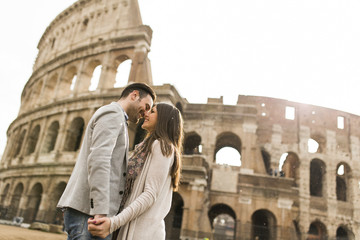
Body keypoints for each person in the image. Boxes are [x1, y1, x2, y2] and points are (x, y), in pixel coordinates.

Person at [57, 82, 156, 240]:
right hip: (89, 213)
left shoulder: (119, 119)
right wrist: (101, 211)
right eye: (146, 106)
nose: (146, 113)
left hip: (92, 212)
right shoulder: (113, 113)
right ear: (134, 95)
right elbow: (99, 160)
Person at [87, 103, 183, 240]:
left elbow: (150, 194)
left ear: (163, 119)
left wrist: (114, 223)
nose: (146, 114)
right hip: (136, 228)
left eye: (153, 111)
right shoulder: (149, 147)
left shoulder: (162, 146)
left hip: (141, 232)